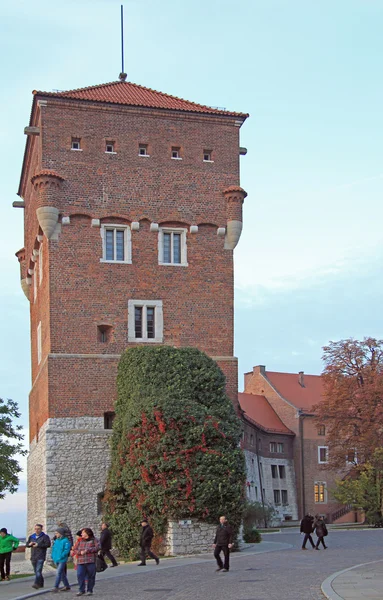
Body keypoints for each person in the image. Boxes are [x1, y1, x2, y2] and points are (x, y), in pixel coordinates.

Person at [72, 528, 100, 596]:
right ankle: (81, 590)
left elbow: (98, 547)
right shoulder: (79, 540)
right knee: (80, 575)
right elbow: (74, 549)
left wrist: (87, 550)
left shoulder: (94, 540)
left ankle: (90, 590)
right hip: (81, 561)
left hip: (90, 561)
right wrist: (79, 552)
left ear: (87, 533)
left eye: (83, 532)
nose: (81, 534)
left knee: (91, 576)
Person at [26, 523, 51, 589]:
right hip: (33, 556)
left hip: (41, 556)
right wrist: (30, 544)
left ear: (41, 529)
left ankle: (36, 584)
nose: (37, 530)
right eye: (36, 529)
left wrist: (38, 545)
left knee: (38, 571)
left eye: (38, 529)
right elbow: (27, 544)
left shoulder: (45, 537)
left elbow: (48, 544)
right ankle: (41, 583)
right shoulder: (32, 537)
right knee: (36, 571)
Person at [51, 527, 71, 592]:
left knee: (58, 572)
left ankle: (56, 586)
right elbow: (54, 549)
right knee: (62, 573)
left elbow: (66, 550)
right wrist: (53, 556)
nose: (56, 534)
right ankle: (67, 585)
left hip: (62, 559)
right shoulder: (56, 540)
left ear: (60, 533)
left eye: (57, 533)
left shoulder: (66, 541)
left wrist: (62, 556)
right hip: (56, 558)